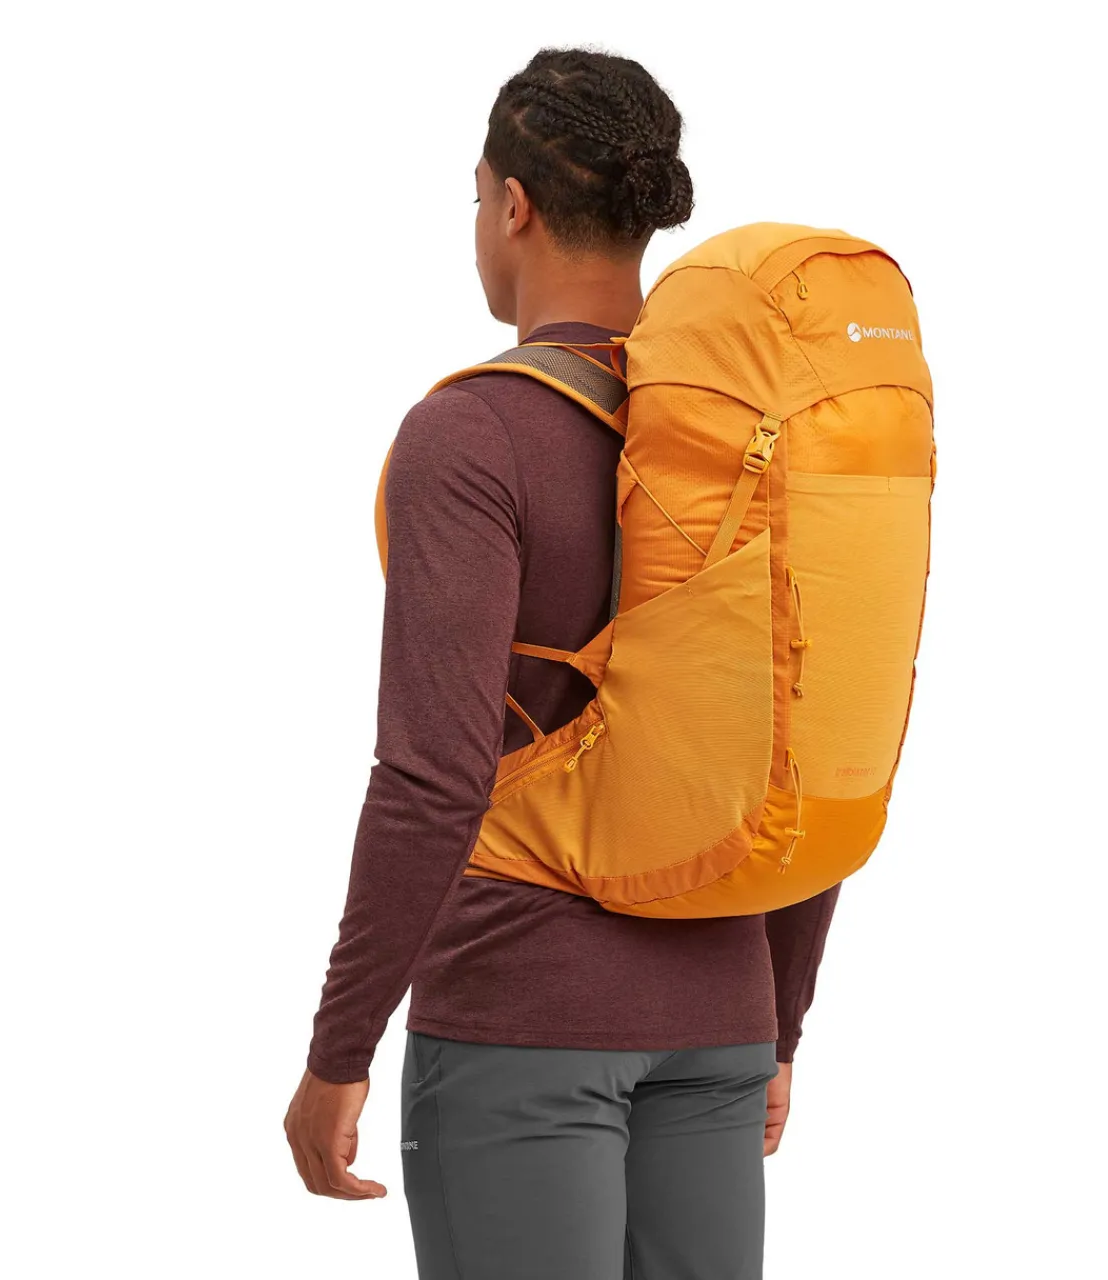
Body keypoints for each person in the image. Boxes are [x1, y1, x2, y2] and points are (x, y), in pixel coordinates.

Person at [283, 46, 841, 1280]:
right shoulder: (751, 433)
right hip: (720, 1016)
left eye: (475, 196)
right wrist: (777, 1015)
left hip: (522, 1016)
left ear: (513, 204)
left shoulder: (472, 434)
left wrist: (340, 1048)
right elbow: (808, 737)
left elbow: (431, 775)